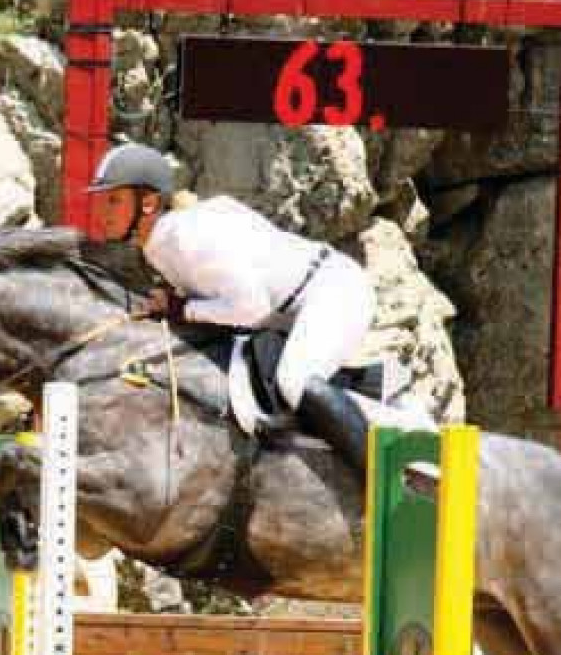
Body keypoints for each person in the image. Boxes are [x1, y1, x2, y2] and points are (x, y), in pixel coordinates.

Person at [86, 142, 376, 473]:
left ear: (148, 203)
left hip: (332, 291)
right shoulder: (161, 243)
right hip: (291, 308)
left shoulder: (187, 236)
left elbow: (251, 308)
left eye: (113, 200)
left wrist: (181, 309)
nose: (102, 212)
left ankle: (381, 480)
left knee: (293, 380)